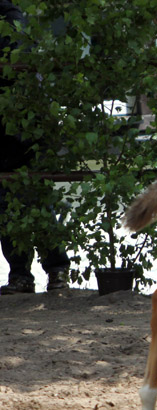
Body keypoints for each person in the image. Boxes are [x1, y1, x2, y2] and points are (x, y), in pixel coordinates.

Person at [0, 0, 70, 295]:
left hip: (17, 122)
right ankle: (48, 271)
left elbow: (12, 68)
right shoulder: (17, 19)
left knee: (18, 198)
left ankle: (38, 271)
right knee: (24, 198)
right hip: (22, 120)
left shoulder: (10, 21)